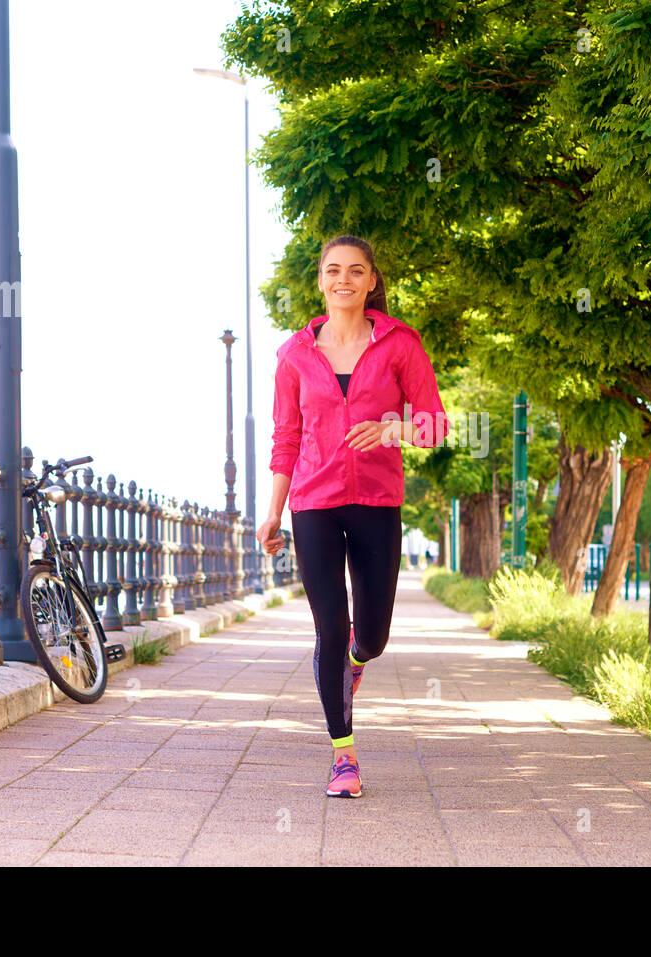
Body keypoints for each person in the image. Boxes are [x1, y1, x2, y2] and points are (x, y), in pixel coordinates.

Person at [255, 235, 447, 798]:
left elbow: (435, 427)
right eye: (333, 270)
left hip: (377, 500)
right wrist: (272, 512)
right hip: (311, 502)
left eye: (355, 271)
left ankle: (360, 659)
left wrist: (392, 429)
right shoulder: (294, 355)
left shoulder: (400, 345)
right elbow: (286, 438)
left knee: (374, 633)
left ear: (370, 281)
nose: (343, 279)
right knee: (330, 629)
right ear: (320, 281)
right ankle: (344, 756)